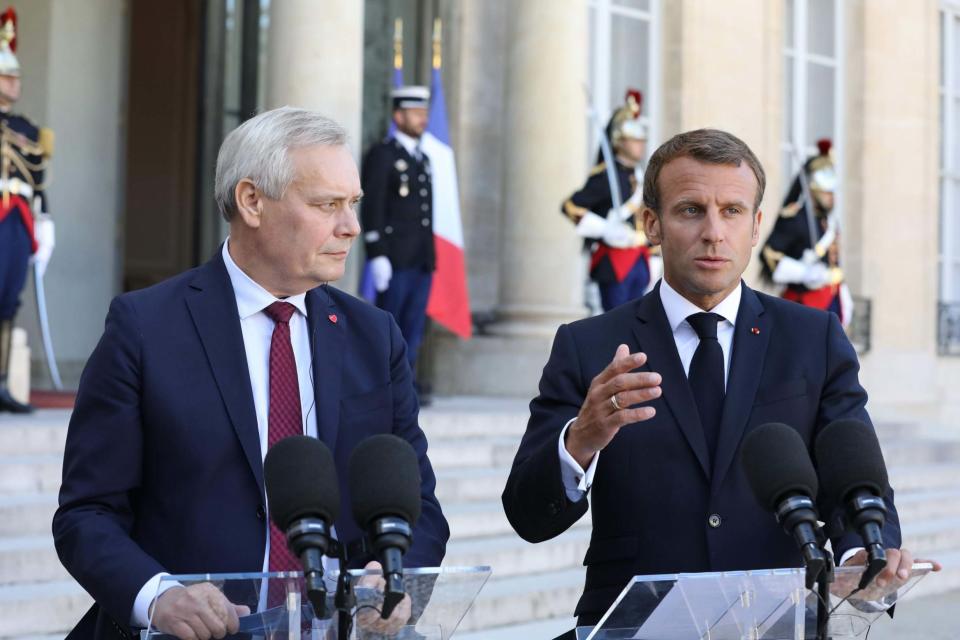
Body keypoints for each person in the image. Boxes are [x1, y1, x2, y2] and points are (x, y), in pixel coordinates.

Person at [503, 129, 937, 629]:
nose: (714, 231)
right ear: (652, 224)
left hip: (778, 623)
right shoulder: (590, 346)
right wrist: (580, 440)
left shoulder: (812, 337)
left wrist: (862, 554)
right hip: (634, 626)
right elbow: (528, 516)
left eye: (731, 211)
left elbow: (854, 472)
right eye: (691, 210)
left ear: (755, 227)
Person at [53, 108, 449, 639]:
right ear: (252, 201)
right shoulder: (145, 328)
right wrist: (159, 596)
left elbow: (419, 505)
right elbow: (87, 513)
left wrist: (393, 579)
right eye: (327, 204)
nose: (351, 225)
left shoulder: (374, 336)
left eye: (352, 203)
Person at [360, 86, 435, 402]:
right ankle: (383, 388)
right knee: (390, 328)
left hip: (420, 258)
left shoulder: (423, 158)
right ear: (398, 115)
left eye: (424, 113)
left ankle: (406, 387)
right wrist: (376, 253)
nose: (422, 119)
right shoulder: (384, 155)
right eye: (415, 113)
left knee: (413, 328)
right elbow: (372, 205)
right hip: (393, 258)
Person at [0, 6, 55, 413]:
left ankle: (2, 383)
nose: (14, 83)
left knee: (8, 299)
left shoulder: (27, 129)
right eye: (7, 76)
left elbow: (37, 178)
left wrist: (45, 220)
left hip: (16, 217)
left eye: (16, 77)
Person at [561, 95, 650, 312]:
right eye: (634, 140)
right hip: (614, 262)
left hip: (640, 259)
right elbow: (571, 206)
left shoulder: (641, 176)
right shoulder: (604, 176)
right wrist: (605, 229)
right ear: (619, 141)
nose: (640, 145)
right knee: (616, 325)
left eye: (641, 141)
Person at [760, 139, 852, 324]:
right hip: (803, 305)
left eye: (832, 193)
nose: (831, 197)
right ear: (812, 190)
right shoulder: (795, 218)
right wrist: (804, 272)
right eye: (826, 192)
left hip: (830, 300)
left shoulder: (829, 222)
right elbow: (769, 255)